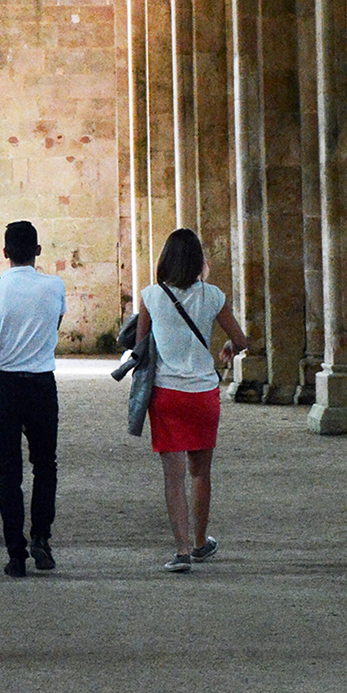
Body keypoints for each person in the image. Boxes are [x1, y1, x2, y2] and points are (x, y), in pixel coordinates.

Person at [138, 226, 248, 573]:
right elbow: (240, 340)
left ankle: (182, 550)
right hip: (202, 393)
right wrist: (228, 347)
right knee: (201, 474)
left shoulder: (151, 296)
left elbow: (140, 347)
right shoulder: (212, 296)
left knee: (173, 477)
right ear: (199, 260)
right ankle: (201, 543)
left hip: (166, 393)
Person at [0, 220, 66, 576]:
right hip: (41, 385)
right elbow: (51, 328)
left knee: (9, 472)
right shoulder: (54, 286)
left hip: (5, 386)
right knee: (45, 466)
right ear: (38, 251)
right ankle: (41, 538)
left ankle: (15, 554)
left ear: (5, 252)